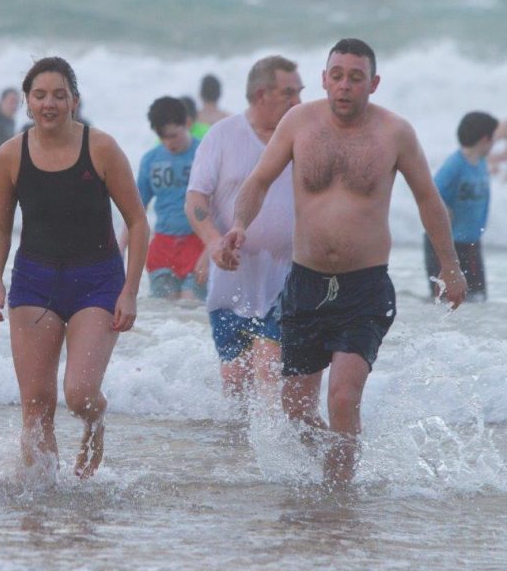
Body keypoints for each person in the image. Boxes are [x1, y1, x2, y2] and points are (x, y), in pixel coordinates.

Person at [218, 38, 467, 487]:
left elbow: (429, 200)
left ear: (373, 83)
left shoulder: (395, 133)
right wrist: (238, 225)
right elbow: (258, 180)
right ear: (324, 79)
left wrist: (450, 267)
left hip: (363, 288)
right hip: (306, 284)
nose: (345, 85)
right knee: (295, 413)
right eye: (337, 75)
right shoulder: (298, 122)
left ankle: (341, 493)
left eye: (356, 77)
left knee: (343, 397)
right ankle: (335, 467)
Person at [0, 56, 148, 480]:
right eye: (39, 95)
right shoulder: (9, 156)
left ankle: (95, 423)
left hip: (96, 280)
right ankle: (43, 497)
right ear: (27, 102)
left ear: (74, 100)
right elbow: (0, 227)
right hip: (34, 281)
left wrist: (129, 290)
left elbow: (137, 221)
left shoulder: (101, 148)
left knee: (78, 393)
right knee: (36, 404)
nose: (49, 103)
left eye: (59, 95)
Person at [186, 56, 303, 404]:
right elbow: (195, 197)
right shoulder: (222, 135)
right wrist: (212, 243)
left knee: (270, 373)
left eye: (300, 93)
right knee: (235, 384)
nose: (298, 102)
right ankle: (237, 459)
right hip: (230, 282)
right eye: (289, 93)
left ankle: (273, 457)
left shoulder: (303, 139)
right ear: (261, 94)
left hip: (286, 279)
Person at [120, 96, 207, 301]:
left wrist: (213, 248)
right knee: (164, 310)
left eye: (173, 135)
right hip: (163, 247)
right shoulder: (151, 160)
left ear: (187, 123)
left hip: (199, 243)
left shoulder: (205, 153)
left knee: (191, 306)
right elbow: (136, 208)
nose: (169, 143)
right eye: (163, 137)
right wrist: (121, 245)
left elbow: (222, 203)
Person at [424, 112, 507, 302]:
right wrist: (445, 211)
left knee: (478, 297)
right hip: (445, 245)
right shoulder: (455, 165)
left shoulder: (481, 162)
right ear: (486, 139)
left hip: (471, 243)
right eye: (494, 139)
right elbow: (430, 192)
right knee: (446, 300)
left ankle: (467, 333)